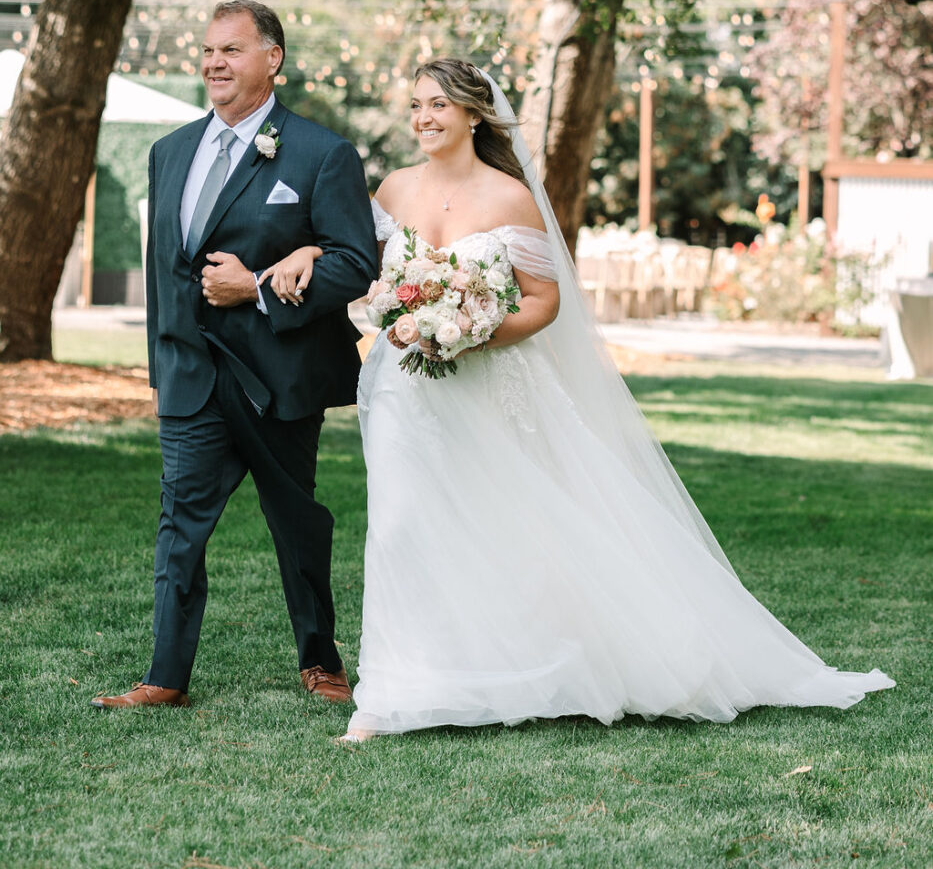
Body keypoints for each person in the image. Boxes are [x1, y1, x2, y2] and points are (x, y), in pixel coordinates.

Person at [261, 58, 894, 740]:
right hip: (400, 387)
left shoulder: (510, 198)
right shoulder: (390, 189)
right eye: (415, 104)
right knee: (401, 524)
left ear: (474, 113)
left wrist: (468, 331)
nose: (423, 117)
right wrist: (311, 258)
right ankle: (400, 690)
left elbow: (543, 302)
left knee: (505, 525)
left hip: (487, 381)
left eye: (439, 104)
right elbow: (357, 266)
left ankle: (528, 667)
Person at [92, 0, 377, 710]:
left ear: (272, 58)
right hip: (191, 378)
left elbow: (354, 263)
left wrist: (255, 289)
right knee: (179, 525)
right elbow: (166, 274)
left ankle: (320, 661)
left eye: (232, 50)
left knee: (296, 524)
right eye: (209, 51)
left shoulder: (321, 153)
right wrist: (164, 367)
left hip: (279, 377)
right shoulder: (169, 152)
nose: (215, 63)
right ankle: (164, 676)